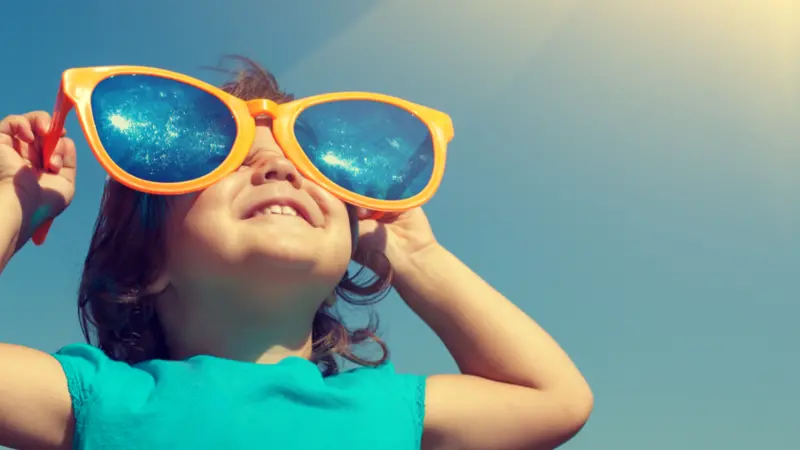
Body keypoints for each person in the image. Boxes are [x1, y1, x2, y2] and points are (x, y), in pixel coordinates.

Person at [0, 58, 593, 450]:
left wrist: (415, 253)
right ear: (152, 267)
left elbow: (554, 398)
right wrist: (19, 197)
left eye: (309, 170)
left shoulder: (385, 407)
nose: (281, 168)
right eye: (232, 165)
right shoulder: (104, 398)